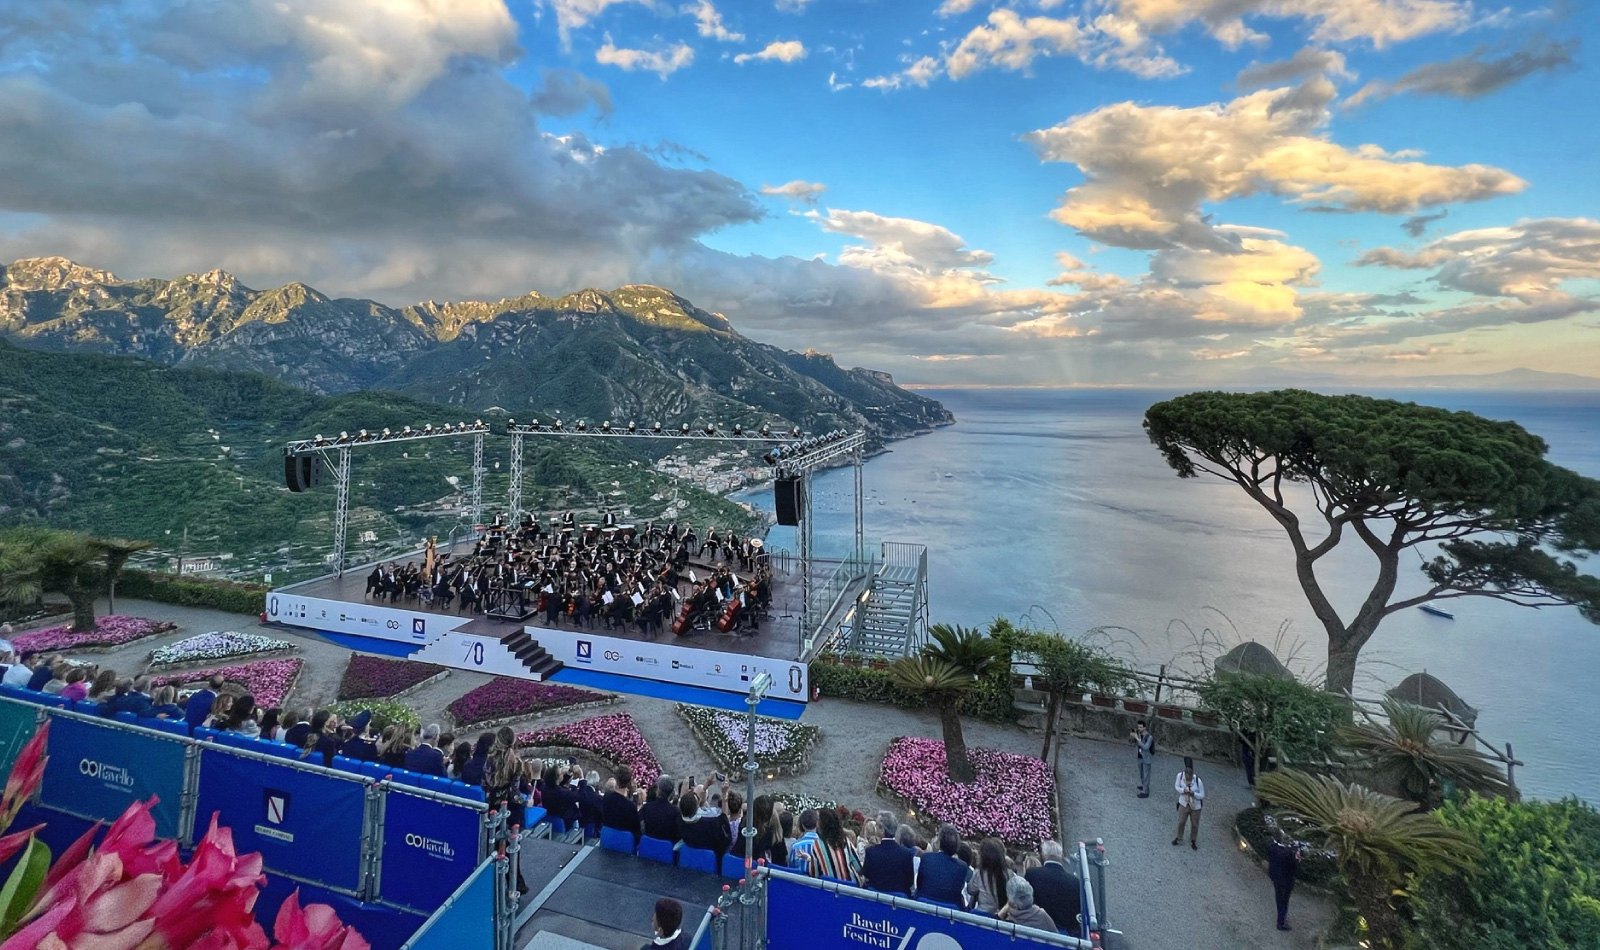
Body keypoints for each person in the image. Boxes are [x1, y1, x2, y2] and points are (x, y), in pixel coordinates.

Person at [1025, 840, 1081, 936]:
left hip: (1036, 930)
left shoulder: (1032, 874)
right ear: (1061, 857)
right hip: (1065, 934)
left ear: (1044, 855)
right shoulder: (1075, 882)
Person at [916, 825, 971, 907]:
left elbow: (919, 884)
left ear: (939, 842)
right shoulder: (962, 867)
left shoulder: (926, 857)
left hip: (924, 906)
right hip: (947, 911)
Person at [863, 811, 915, 896]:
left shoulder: (871, 852)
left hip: (873, 900)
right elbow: (909, 882)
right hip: (899, 901)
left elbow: (866, 876)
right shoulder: (907, 854)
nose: (875, 827)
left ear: (882, 830)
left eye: (876, 825)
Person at [677, 791, 732, 860]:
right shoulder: (709, 823)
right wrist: (724, 793)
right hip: (709, 859)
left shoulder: (679, 821)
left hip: (690, 856)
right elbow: (724, 819)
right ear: (697, 808)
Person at [1266, 832, 1304, 931]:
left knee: (1278, 897)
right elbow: (1295, 866)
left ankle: (1280, 916)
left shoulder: (1272, 848)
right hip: (1286, 881)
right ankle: (1281, 922)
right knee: (1284, 901)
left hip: (1275, 877)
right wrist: (1297, 855)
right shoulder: (1290, 855)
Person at [966, 837, 1012, 914]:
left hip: (981, 915)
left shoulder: (979, 873)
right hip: (1002, 915)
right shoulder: (1010, 874)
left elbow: (970, 890)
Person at [602, 765, 644, 845]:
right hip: (624, 844)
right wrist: (634, 792)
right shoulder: (630, 806)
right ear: (629, 782)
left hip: (607, 839)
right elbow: (636, 830)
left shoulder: (606, 798)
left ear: (616, 780)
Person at [1173, 756, 1205, 850]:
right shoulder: (1180, 776)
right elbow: (1177, 786)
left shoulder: (1198, 781)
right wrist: (1183, 790)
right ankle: (1179, 837)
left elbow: (1202, 795)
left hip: (1195, 806)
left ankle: (1193, 840)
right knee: (1181, 822)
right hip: (1183, 803)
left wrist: (1194, 794)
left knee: (1195, 824)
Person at [640, 775, 681, 843]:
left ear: (658, 790)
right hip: (666, 850)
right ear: (672, 793)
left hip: (647, 847)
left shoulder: (647, 808)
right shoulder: (676, 812)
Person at [786, 809, 822, 874]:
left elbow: (791, 868)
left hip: (798, 882)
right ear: (817, 823)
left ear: (802, 825)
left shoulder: (795, 846)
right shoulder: (823, 847)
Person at [1130, 720, 1155, 798]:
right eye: (1138, 727)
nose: (1139, 729)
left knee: (1146, 775)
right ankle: (1144, 785)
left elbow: (1145, 747)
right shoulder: (1139, 734)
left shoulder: (1149, 737)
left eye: (1141, 727)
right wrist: (1132, 738)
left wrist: (1137, 739)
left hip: (1146, 758)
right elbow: (1133, 745)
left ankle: (1146, 791)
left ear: (1144, 727)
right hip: (1139, 756)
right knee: (1141, 773)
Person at [577, 770, 605, 838]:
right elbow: (601, 814)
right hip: (591, 827)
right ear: (596, 781)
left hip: (580, 823)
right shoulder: (596, 797)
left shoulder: (581, 792)